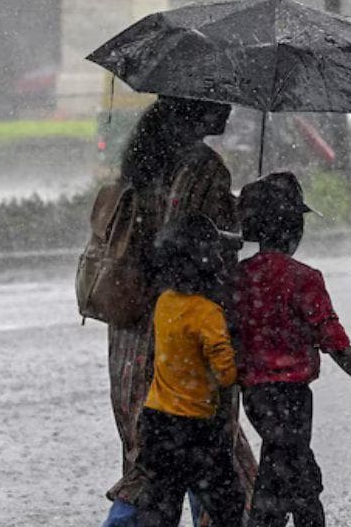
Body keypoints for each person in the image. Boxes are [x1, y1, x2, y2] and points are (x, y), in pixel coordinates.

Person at [103, 96, 257, 527]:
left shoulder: (142, 161)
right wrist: (240, 221)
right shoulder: (205, 169)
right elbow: (206, 250)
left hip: (135, 327)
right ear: (196, 109)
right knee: (213, 450)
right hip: (189, 326)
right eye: (219, 100)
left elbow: (155, 238)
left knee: (150, 455)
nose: (229, 109)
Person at [232, 172, 351, 527]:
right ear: (293, 230)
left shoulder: (238, 276)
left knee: (281, 466)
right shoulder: (304, 278)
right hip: (293, 398)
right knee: (296, 476)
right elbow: (334, 341)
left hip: (254, 396)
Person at [134, 214, 246, 527]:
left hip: (156, 423)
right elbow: (226, 374)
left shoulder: (164, 303)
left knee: (161, 505)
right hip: (197, 429)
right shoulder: (208, 313)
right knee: (227, 505)